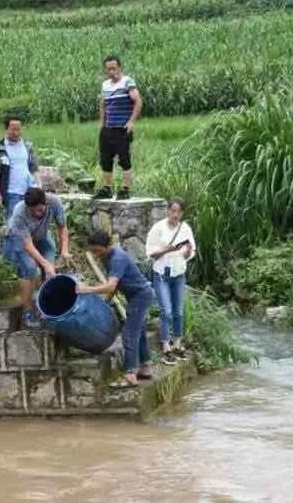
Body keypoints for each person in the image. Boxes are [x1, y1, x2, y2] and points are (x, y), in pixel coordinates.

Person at [76, 231, 154, 388]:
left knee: (129, 333)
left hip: (140, 295)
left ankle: (130, 374)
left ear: (108, 246)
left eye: (98, 250)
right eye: (93, 251)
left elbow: (110, 285)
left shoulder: (118, 258)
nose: (95, 254)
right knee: (139, 332)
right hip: (136, 295)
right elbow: (115, 285)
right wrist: (106, 302)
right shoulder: (106, 257)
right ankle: (145, 369)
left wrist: (86, 290)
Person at [4, 187, 71, 329]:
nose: (36, 213)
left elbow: (62, 227)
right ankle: (27, 311)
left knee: (50, 268)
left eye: (40, 210)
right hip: (20, 239)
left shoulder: (54, 203)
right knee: (30, 268)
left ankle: (46, 307)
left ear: (45, 203)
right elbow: (28, 246)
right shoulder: (19, 213)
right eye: (32, 210)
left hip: (42, 235)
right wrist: (45, 264)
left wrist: (64, 250)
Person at [146, 199, 196, 365]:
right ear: (168, 211)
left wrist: (188, 252)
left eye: (178, 212)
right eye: (172, 211)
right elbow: (150, 253)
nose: (175, 215)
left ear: (182, 213)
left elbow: (191, 252)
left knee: (179, 311)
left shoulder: (185, 229)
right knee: (166, 310)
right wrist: (167, 249)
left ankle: (177, 344)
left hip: (179, 273)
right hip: (162, 273)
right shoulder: (158, 228)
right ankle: (166, 347)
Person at [93, 55, 142, 201]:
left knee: (124, 159)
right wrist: (102, 123)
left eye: (114, 68)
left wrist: (132, 121)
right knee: (105, 159)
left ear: (119, 67)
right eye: (108, 69)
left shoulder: (127, 82)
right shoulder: (105, 85)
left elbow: (138, 101)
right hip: (108, 128)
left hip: (122, 129)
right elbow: (103, 104)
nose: (111, 71)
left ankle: (125, 189)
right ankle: (107, 188)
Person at [0, 115, 40, 220]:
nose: (16, 133)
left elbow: (34, 167)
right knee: (13, 223)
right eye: (13, 130)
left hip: (29, 191)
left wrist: (39, 186)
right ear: (6, 129)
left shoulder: (27, 146)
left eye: (18, 129)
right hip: (11, 193)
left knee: (31, 221)